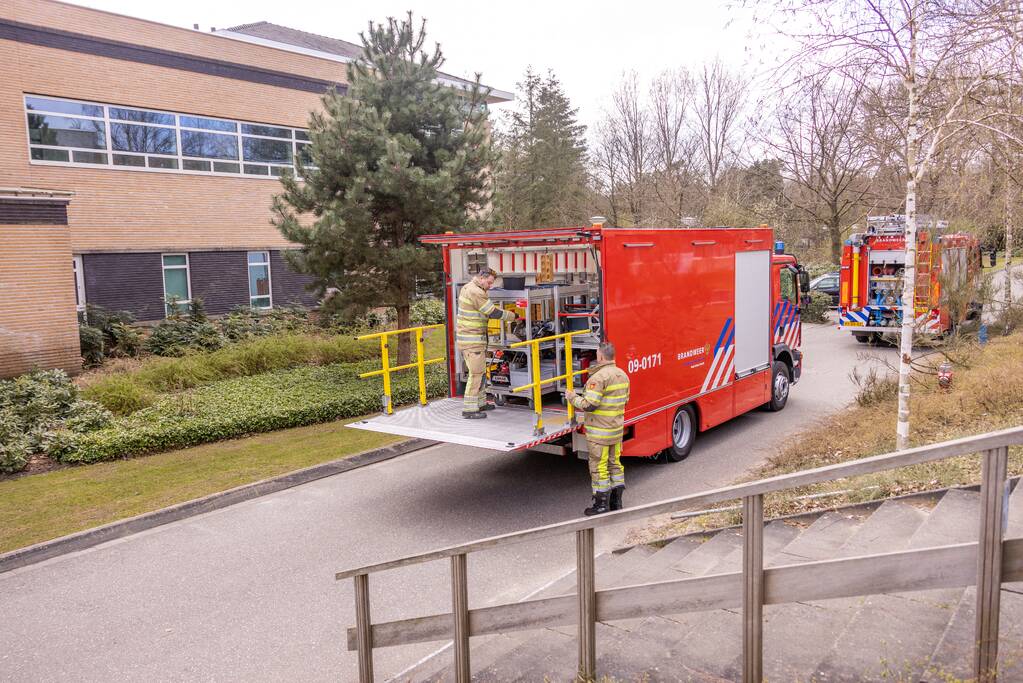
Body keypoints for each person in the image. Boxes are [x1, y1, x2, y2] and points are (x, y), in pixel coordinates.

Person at [566, 341, 631, 515]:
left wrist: (572, 397)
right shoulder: (622, 375)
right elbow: (625, 401)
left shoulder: (598, 378)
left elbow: (589, 405)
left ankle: (601, 505)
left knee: (598, 467)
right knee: (615, 465)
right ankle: (616, 503)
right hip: (615, 431)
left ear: (600, 356)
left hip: (599, 434)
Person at [456, 267, 516, 419]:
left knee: (481, 373)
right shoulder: (475, 292)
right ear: (481, 278)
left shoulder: (471, 288)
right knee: (476, 374)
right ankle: (469, 409)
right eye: (489, 283)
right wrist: (513, 316)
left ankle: (481, 403)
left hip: (474, 340)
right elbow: (493, 312)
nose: (490, 286)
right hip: (472, 341)